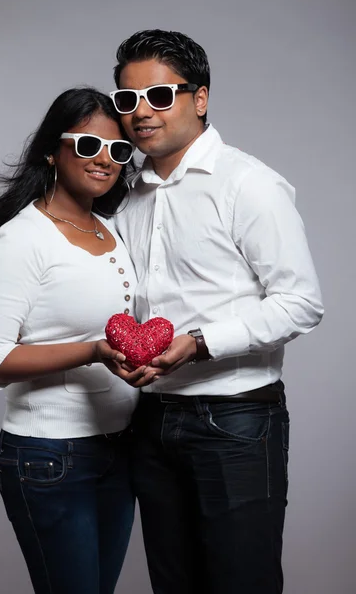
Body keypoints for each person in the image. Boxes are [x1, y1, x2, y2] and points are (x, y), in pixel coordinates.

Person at [108, 30, 324, 594]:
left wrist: (200, 342)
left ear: (199, 98)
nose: (140, 113)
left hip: (235, 419)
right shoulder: (128, 193)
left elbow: (301, 303)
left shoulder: (248, 184)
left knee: (240, 581)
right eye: (126, 100)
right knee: (173, 582)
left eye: (159, 96)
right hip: (149, 417)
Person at [0, 86, 155, 594]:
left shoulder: (108, 229)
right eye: (88, 145)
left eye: (118, 150)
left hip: (120, 447)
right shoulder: (21, 238)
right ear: (53, 149)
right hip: (51, 457)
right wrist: (94, 350)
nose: (105, 160)